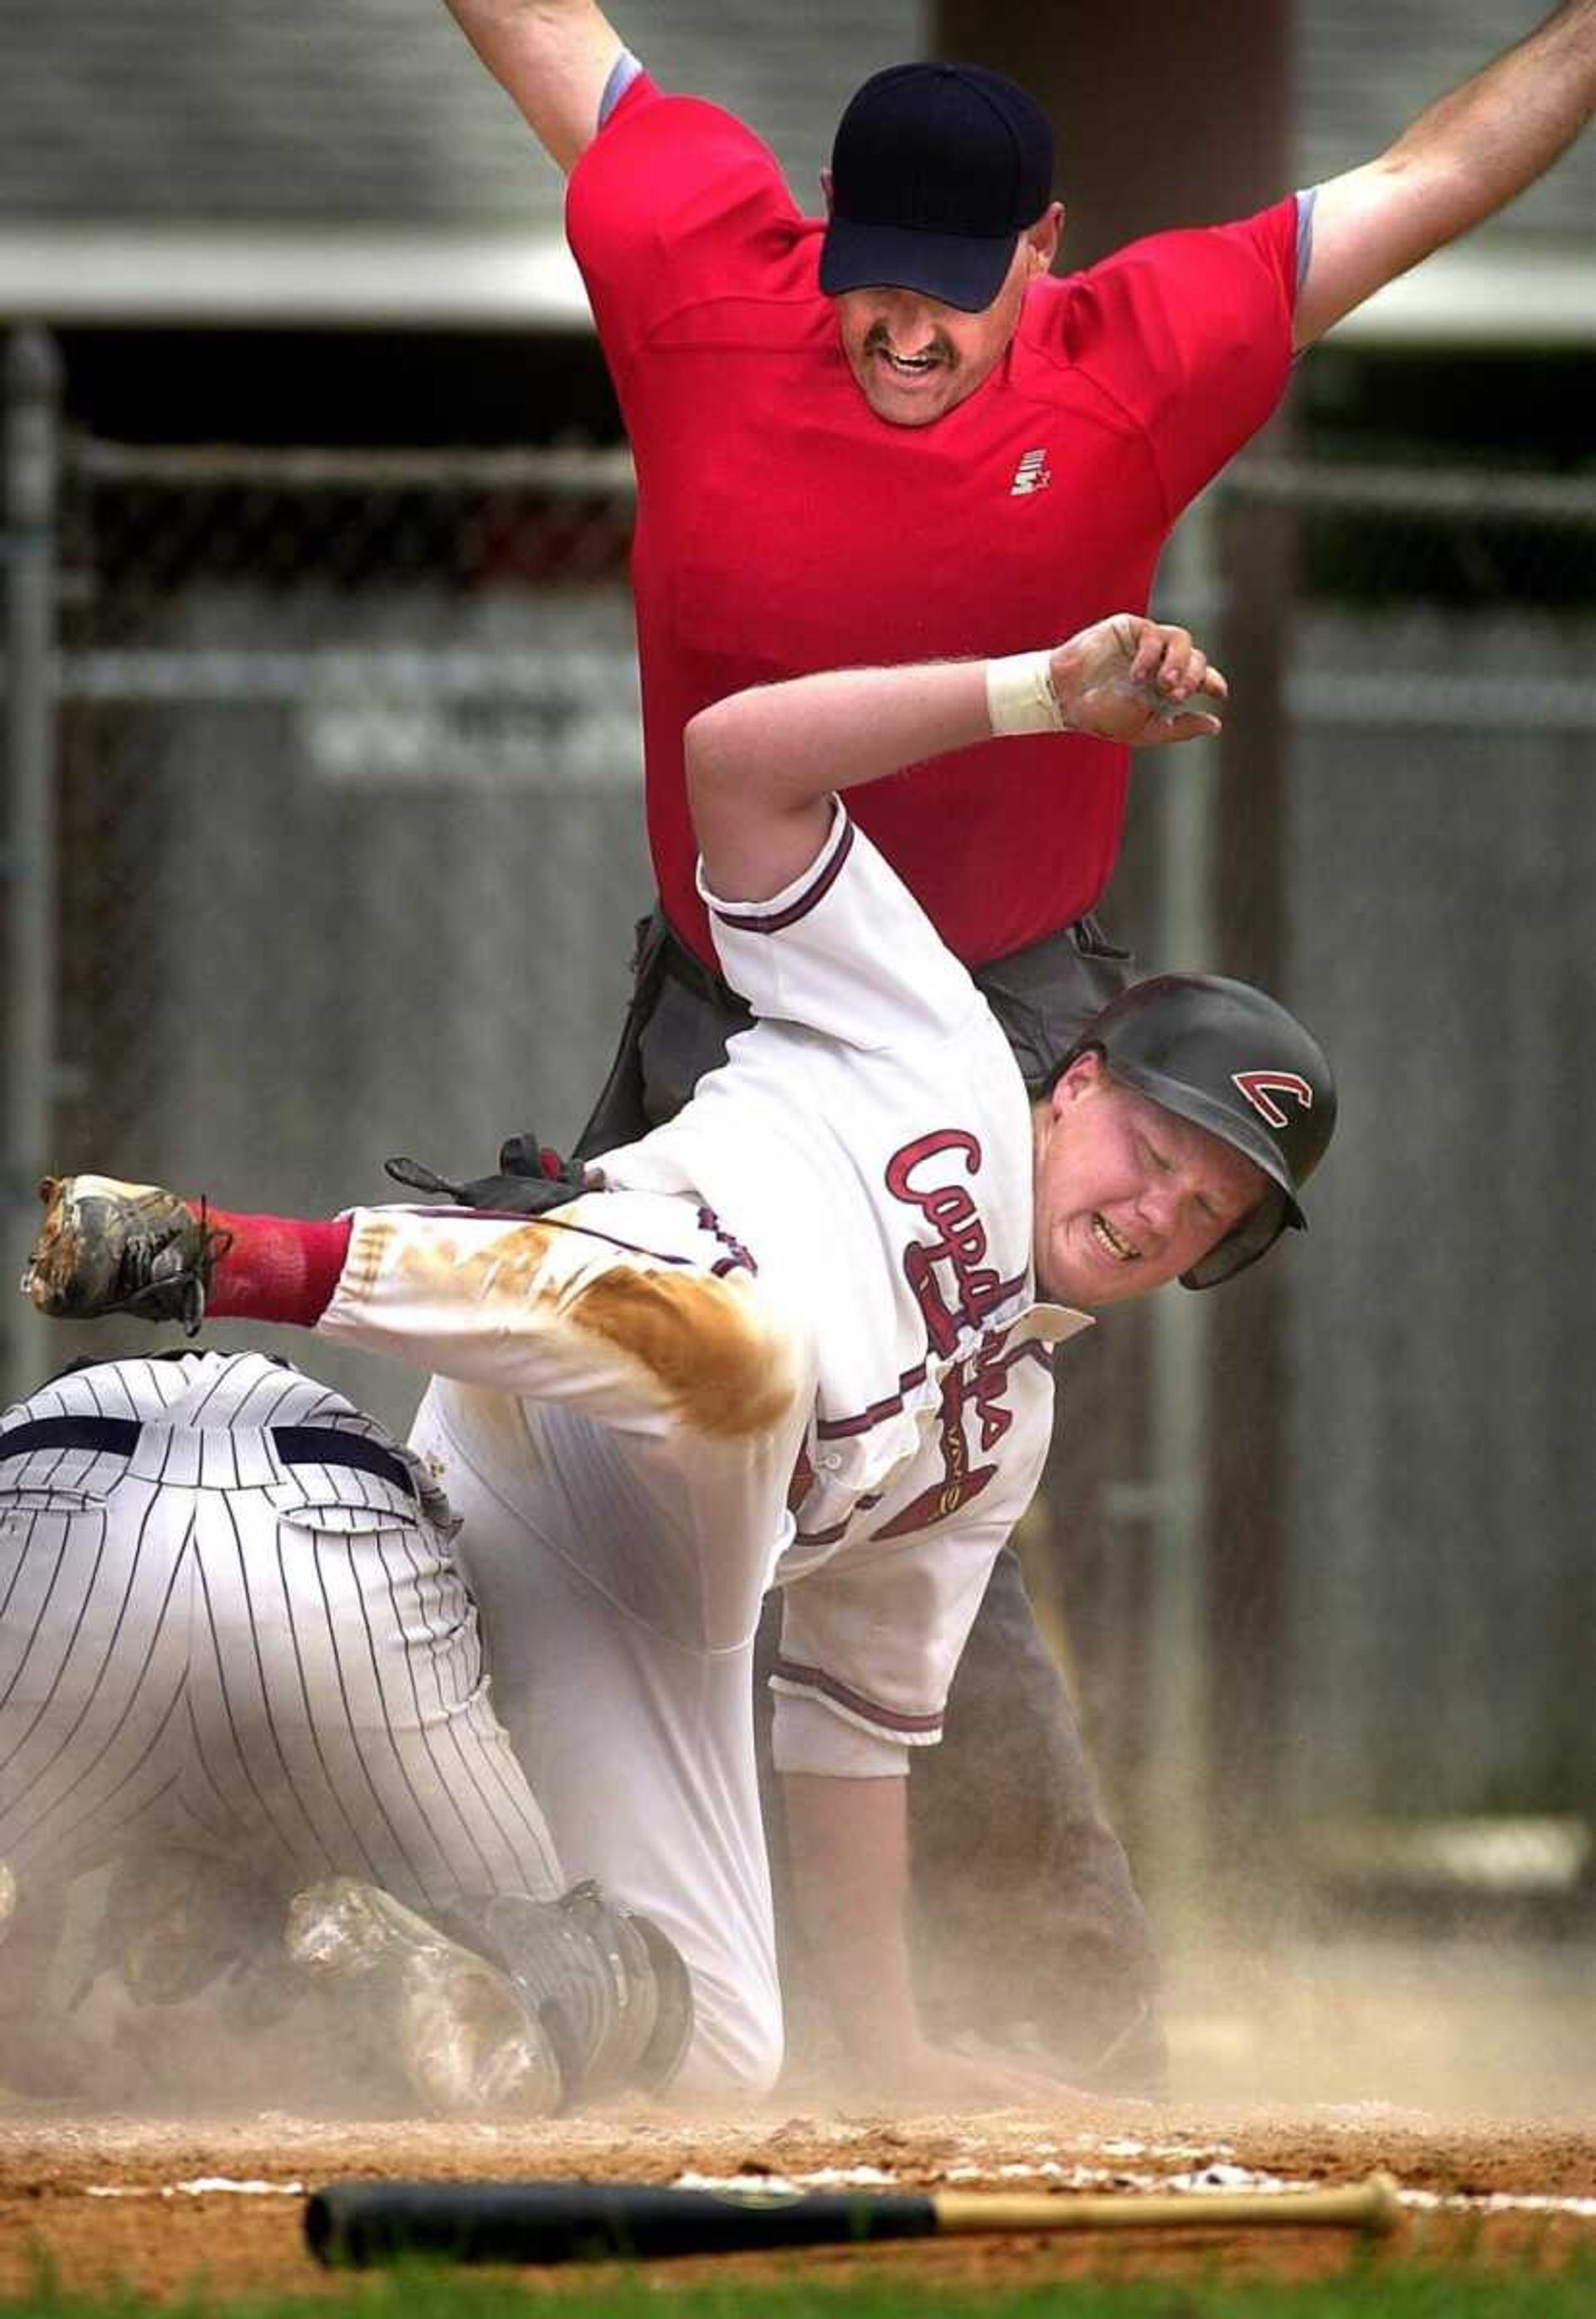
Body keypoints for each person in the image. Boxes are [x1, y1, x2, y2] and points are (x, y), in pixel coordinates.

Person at [432, 0, 1594, 2085]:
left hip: (1002, 1002)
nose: (901, 329)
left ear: (1041, 256)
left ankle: (1044, 2002)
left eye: (952, 298)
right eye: (872, 275)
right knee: (593, 1409)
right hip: (740, 987)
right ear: (820, 237)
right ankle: (502, 1925)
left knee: (920, 1461)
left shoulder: (1134, 358)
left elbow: (1425, 177)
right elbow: (547, 36)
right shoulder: (706, 268)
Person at [22, 611, 1336, 2104]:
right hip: (574, 1400)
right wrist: (1035, 692)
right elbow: (735, 762)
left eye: (1210, 1206)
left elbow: (850, 1723)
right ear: (1080, 1079)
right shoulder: (939, 1041)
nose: (1165, 1204)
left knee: (717, 2047)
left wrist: (893, 2042)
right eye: (1160, 1145)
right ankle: (224, 1251)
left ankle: (235, 1954)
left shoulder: (1003, 1433)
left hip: (656, 1609)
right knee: (749, 1357)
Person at [0, 1345, 691, 2111]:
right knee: (554, 1958)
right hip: (338, 1539)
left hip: (48, 1513)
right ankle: (463, 1962)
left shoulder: (41, 1411)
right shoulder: (337, 1411)